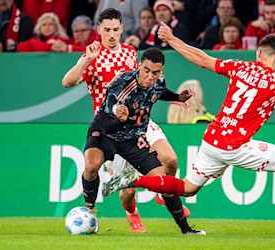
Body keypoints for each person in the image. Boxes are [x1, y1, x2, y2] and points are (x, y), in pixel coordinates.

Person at [103, 21, 275, 238]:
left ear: (258, 53)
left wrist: (172, 40)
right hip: (235, 145)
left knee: (186, 188)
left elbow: (202, 59)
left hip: (211, 139)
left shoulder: (239, 68)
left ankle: (131, 180)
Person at [61, 8, 193, 234]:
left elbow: (146, 83)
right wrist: (86, 60)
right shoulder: (92, 55)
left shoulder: (131, 53)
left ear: (121, 28)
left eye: (115, 29)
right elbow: (67, 81)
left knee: (170, 159)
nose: (111, 35)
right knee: (127, 190)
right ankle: (131, 212)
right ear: (98, 30)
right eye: (107, 30)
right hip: (111, 126)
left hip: (140, 120)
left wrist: (173, 98)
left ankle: (163, 192)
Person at [80, 47, 205, 235]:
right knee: (91, 165)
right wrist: (119, 119)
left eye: (155, 72)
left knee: (163, 179)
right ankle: (90, 209)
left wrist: (178, 97)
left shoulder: (158, 81)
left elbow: (160, 92)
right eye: (146, 70)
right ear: (139, 66)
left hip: (132, 138)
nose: (150, 76)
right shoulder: (121, 86)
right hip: (105, 133)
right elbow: (105, 122)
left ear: (160, 71)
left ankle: (186, 230)